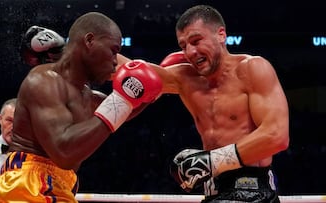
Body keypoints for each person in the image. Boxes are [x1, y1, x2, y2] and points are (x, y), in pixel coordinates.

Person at [0, 12, 162, 203]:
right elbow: (64, 152)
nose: (116, 61)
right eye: (113, 50)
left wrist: (151, 92)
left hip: (59, 186)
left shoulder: (89, 98)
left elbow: (124, 109)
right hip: (24, 187)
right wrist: (122, 99)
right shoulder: (43, 80)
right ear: (90, 40)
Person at [119, 4, 289, 202]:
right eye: (183, 46)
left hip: (252, 192)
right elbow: (131, 71)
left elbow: (276, 136)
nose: (190, 51)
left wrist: (210, 161)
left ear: (221, 35)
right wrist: (91, 45)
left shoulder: (253, 69)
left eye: (196, 41)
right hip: (212, 192)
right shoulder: (185, 79)